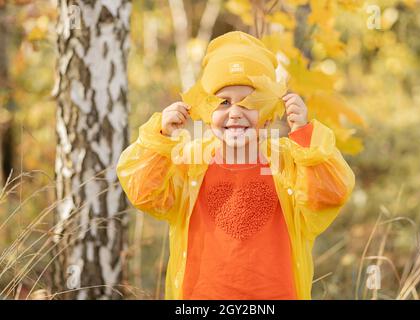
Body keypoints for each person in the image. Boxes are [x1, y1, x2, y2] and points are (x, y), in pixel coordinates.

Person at [116, 31, 355, 300]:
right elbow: (146, 193)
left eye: (249, 102)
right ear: (207, 113)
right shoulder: (191, 162)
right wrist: (160, 138)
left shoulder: (287, 161)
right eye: (224, 102)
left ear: (266, 115)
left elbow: (329, 194)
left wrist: (303, 134)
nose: (235, 112)